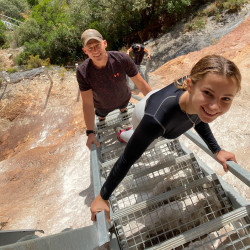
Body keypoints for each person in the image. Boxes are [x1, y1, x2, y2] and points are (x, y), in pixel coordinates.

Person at [90, 55, 242, 223]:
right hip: (144, 115)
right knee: (141, 141)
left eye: (226, 99)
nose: (215, 107)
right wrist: (103, 197)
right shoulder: (156, 121)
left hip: (159, 100)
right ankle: (122, 134)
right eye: (208, 93)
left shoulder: (200, 99)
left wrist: (217, 150)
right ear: (190, 86)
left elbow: (199, 117)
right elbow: (127, 159)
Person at [76, 29, 152, 150]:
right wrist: (90, 132)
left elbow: (142, 85)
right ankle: (103, 120)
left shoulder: (121, 59)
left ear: (104, 43)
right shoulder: (82, 72)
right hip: (101, 106)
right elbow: (88, 103)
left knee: (123, 108)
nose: (95, 51)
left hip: (124, 99)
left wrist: (157, 108)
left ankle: (122, 112)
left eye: (97, 45)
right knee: (101, 117)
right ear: (85, 51)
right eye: (90, 48)